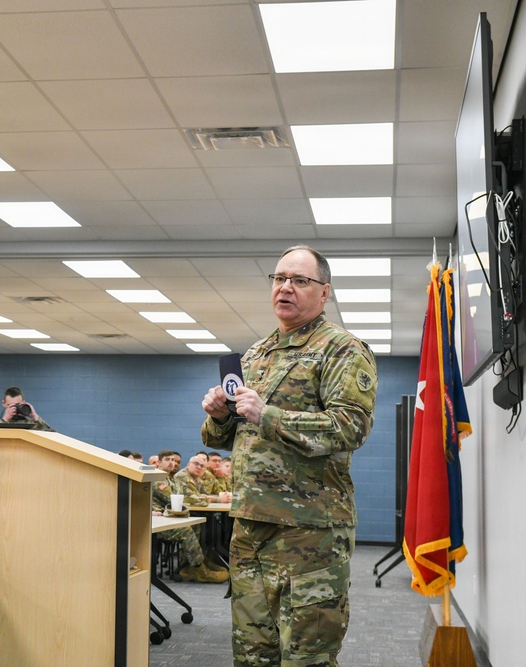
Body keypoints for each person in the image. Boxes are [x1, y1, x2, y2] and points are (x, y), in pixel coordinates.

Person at [201, 245, 378, 666]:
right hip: (250, 530)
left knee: (306, 657)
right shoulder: (256, 354)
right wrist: (219, 416)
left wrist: (267, 414)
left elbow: (350, 426)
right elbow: (232, 438)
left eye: (300, 281)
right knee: (251, 653)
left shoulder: (342, 349)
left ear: (325, 292)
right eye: (279, 279)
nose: (285, 288)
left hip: (308, 531)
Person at [151, 449, 226, 584]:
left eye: (173, 460)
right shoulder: (158, 479)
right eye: (167, 460)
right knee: (186, 530)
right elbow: (173, 499)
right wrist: (204, 500)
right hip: (158, 521)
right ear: (159, 462)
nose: (172, 463)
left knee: (196, 526)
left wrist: (202, 499)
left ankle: (190, 566)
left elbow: (191, 497)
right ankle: (198, 569)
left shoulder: (170, 479)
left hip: (167, 518)